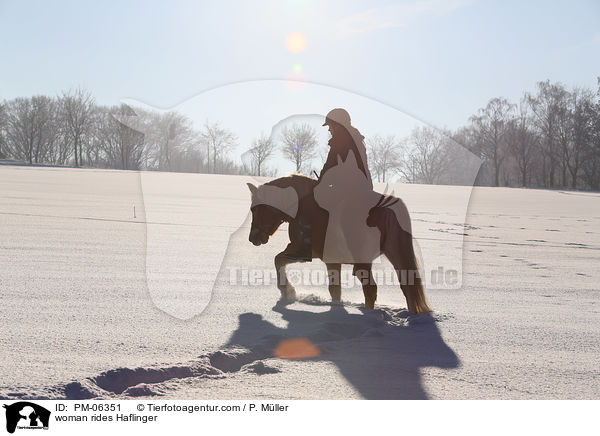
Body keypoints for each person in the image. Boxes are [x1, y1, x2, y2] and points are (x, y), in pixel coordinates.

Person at [283, 108, 373, 261]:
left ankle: (304, 248)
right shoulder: (356, 138)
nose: (330, 130)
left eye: (331, 126)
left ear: (338, 125)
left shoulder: (341, 140)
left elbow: (330, 166)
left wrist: (322, 182)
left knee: (308, 205)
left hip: (348, 189)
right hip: (363, 187)